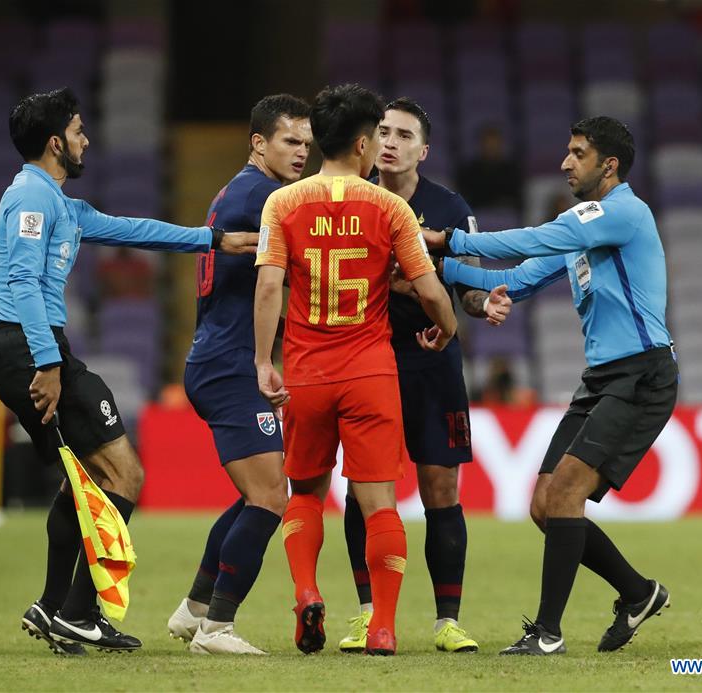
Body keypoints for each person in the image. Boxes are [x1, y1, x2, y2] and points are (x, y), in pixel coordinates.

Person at [0, 88, 260, 655]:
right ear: (55, 142)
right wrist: (48, 362)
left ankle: (55, 607)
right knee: (125, 475)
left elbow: (136, 229)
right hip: (30, 348)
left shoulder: (60, 204)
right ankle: (79, 612)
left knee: (85, 479)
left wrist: (213, 240)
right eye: (78, 131)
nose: (87, 140)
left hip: (33, 347)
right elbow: (22, 282)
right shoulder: (31, 198)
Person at [425, 116, 678, 655]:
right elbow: (510, 281)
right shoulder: (582, 237)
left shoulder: (623, 213)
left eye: (578, 153)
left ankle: (547, 633)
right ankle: (638, 593)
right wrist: (437, 268)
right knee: (545, 504)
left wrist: (452, 239)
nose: (565, 163)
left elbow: (536, 236)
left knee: (565, 493)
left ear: (609, 166)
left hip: (643, 374)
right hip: (602, 378)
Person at [253, 83, 458, 656]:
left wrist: (263, 361)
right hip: (370, 372)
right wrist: (447, 328)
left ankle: (307, 592)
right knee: (379, 503)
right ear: (364, 143)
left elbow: (268, 287)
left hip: (306, 372)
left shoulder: (282, 204)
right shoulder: (391, 208)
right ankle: (383, 627)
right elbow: (429, 290)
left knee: (305, 492)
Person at [337, 97, 510, 655]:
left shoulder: (449, 208)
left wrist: (484, 304)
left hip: (434, 366)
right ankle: (367, 615)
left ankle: (447, 622)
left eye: (404, 135)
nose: (390, 142)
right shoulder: (348, 196)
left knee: (441, 489)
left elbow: (470, 288)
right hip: (369, 361)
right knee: (365, 490)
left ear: (424, 150)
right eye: (383, 131)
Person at [166, 94, 313, 655]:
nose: (301, 153)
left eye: (306, 143)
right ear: (258, 142)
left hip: (216, 357)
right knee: (271, 497)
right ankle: (217, 630)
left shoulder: (240, 192)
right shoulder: (263, 198)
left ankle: (196, 609)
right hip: (230, 364)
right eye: (290, 141)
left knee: (259, 493)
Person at [455, 124, 522, 210]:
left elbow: (515, 199)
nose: (491, 147)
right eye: (488, 144)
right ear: (481, 145)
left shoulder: (511, 170)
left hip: (504, 212)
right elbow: (466, 199)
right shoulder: (469, 171)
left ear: (500, 145)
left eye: (494, 144)